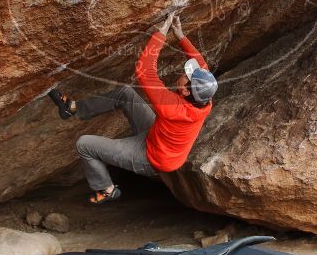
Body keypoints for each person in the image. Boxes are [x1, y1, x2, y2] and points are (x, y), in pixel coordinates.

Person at [48, 12, 217, 204]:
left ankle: (106, 188)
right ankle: (73, 107)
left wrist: (162, 32)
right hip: (158, 137)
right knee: (125, 93)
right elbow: (202, 67)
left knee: (84, 144)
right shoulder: (205, 98)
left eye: (187, 76)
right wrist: (180, 35)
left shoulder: (172, 107)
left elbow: (145, 71)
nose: (184, 73)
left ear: (186, 92)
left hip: (151, 157)